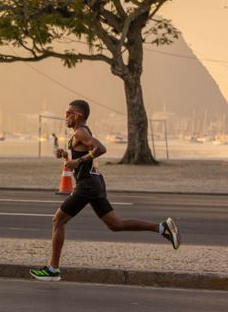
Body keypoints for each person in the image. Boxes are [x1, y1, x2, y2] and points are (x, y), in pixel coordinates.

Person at [30, 99, 180, 282]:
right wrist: (67, 156)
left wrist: (78, 161)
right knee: (115, 224)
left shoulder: (80, 131)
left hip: (87, 185)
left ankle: (53, 269)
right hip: (95, 183)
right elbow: (82, 157)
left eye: (68, 113)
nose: (65, 117)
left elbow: (101, 148)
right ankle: (162, 228)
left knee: (58, 220)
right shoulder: (81, 133)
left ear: (78, 115)